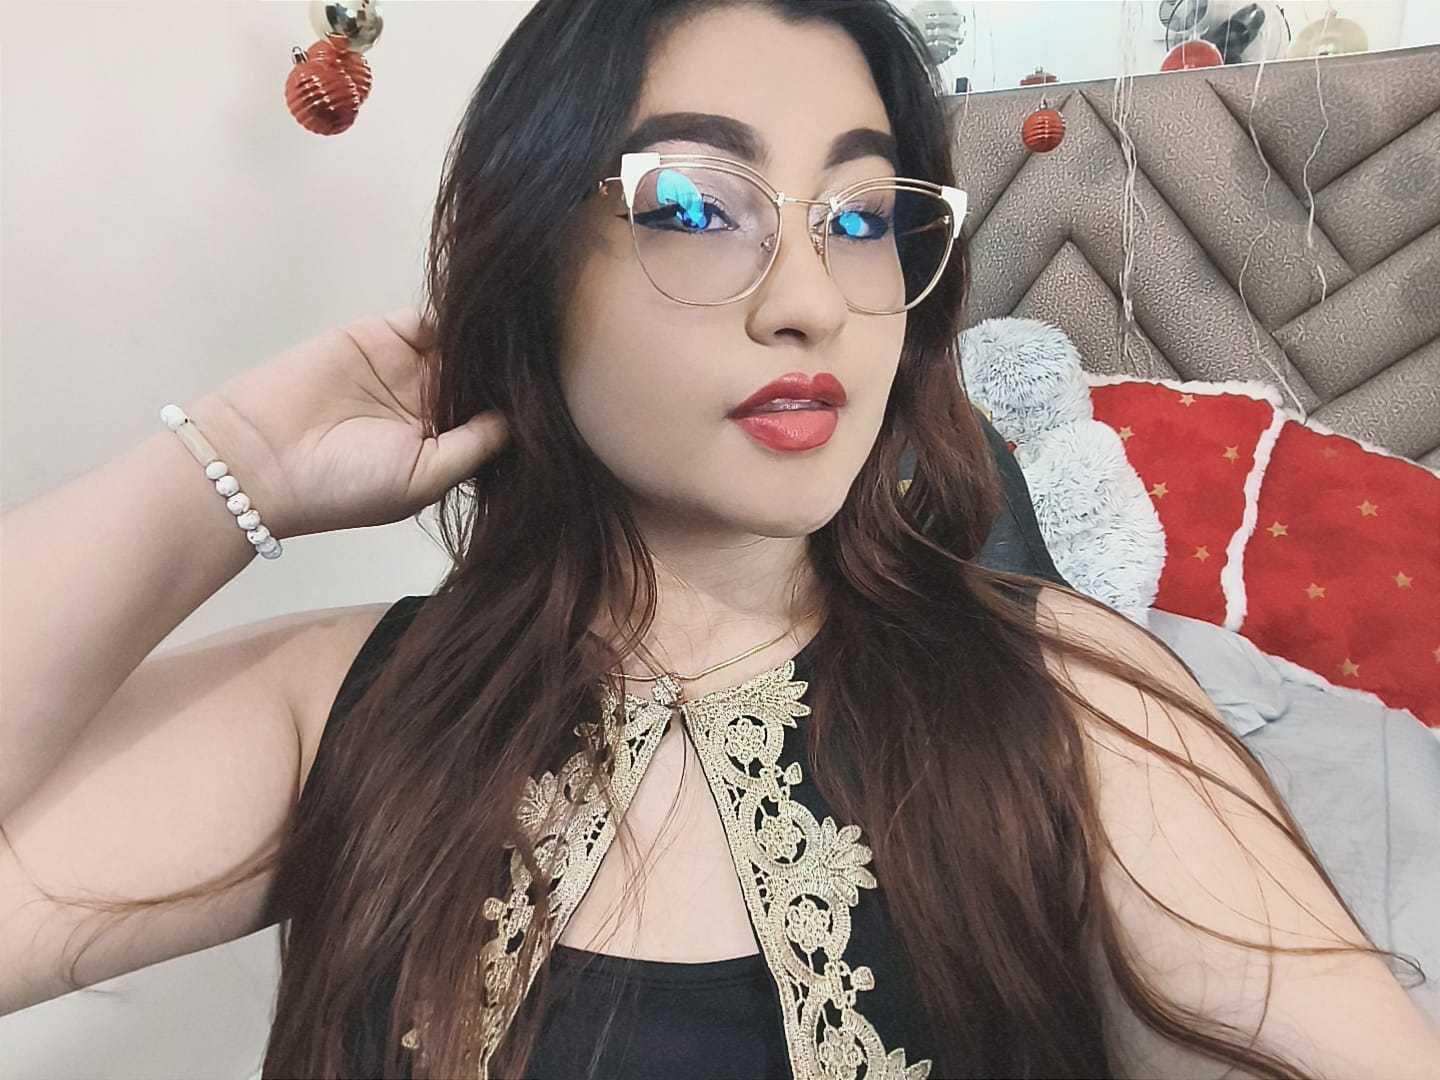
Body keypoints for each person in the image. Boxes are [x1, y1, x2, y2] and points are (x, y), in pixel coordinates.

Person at [2, 1, 1437, 1077]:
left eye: (862, 217)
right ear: (531, 259)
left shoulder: (1070, 704)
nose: (809, 299)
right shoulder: (354, 709)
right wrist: (233, 466)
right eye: (696, 204)